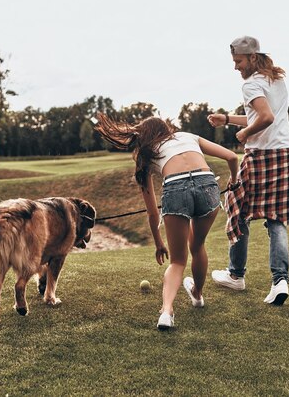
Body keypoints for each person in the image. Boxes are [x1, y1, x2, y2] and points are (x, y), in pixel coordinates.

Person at [95, 113, 239, 329]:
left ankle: (166, 312)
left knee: (177, 261)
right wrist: (234, 180)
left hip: (175, 189)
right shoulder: (187, 136)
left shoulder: (146, 155)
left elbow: (153, 213)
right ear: (165, 128)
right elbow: (232, 157)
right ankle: (197, 295)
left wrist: (158, 243)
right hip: (208, 185)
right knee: (197, 246)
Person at [207, 35, 289, 305]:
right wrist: (228, 119)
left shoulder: (251, 84)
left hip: (262, 155)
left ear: (252, 58)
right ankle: (280, 281)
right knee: (275, 219)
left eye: (238, 61)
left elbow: (264, 118)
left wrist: (243, 134)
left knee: (236, 208)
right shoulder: (275, 80)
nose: (235, 67)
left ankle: (236, 275)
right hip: (286, 153)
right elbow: (262, 114)